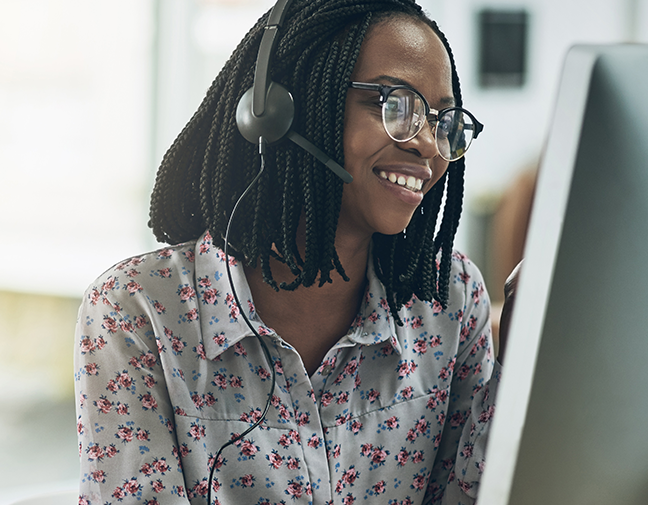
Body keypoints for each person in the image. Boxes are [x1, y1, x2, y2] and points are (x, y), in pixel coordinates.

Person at [73, 1, 499, 504]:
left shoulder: (449, 299)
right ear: (276, 110)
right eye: (396, 105)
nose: (428, 145)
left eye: (444, 121)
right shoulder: (137, 314)